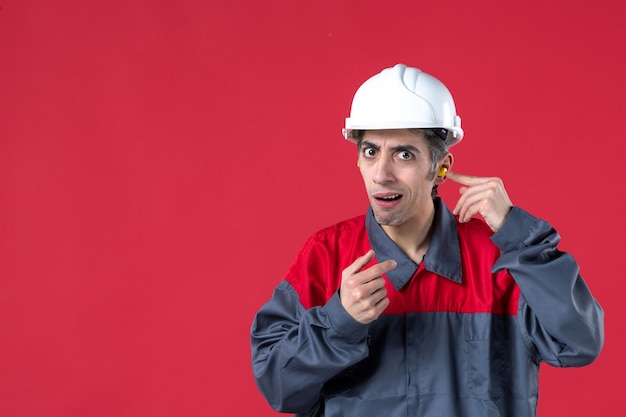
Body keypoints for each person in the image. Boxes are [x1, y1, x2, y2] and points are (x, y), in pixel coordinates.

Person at [250, 64, 604, 417]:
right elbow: (279, 389)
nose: (382, 174)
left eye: (404, 154)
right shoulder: (327, 256)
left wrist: (520, 237)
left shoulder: (501, 259)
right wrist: (339, 321)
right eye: (371, 152)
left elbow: (579, 343)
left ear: (441, 167)